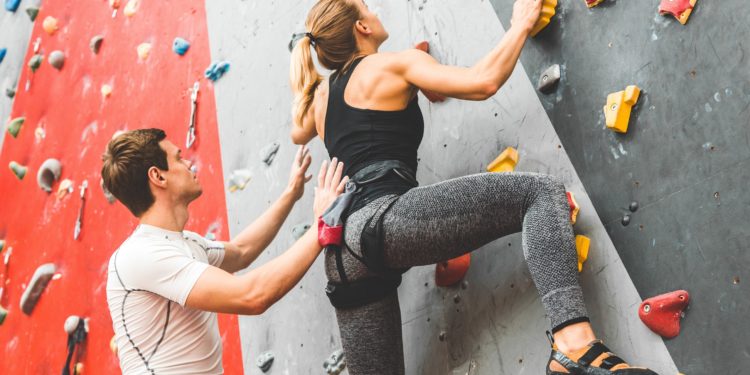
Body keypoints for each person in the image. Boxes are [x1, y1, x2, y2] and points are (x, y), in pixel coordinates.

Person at [288, 0, 659, 374]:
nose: (376, 11)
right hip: (384, 222)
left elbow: (296, 130)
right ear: (361, 28)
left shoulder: (317, 99)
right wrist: (519, 25)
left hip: (340, 256)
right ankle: (575, 346)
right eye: (367, 7)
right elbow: (483, 82)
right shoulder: (394, 64)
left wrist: (306, 64)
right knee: (539, 194)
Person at [101, 128, 346, 374]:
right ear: (158, 177)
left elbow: (241, 252)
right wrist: (322, 226)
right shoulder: (142, 255)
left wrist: (290, 193)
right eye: (178, 158)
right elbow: (252, 296)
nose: (189, 164)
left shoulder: (182, 244)